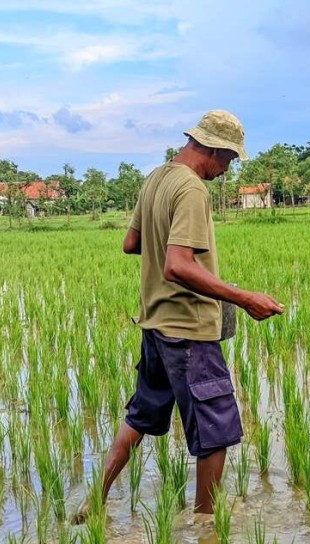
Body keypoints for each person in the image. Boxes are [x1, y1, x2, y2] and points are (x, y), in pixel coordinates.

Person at [74, 110, 284, 521]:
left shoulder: (156, 178)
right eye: (229, 159)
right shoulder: (190, 189)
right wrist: (244, 298)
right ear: (213, 149)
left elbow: (131, 243)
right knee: (216, 431)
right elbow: (177, 266)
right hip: (188, 329)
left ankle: (95, 500)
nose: (227, 170)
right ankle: (206, 529)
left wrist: (165, 242)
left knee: (141, 415)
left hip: (156, 326)